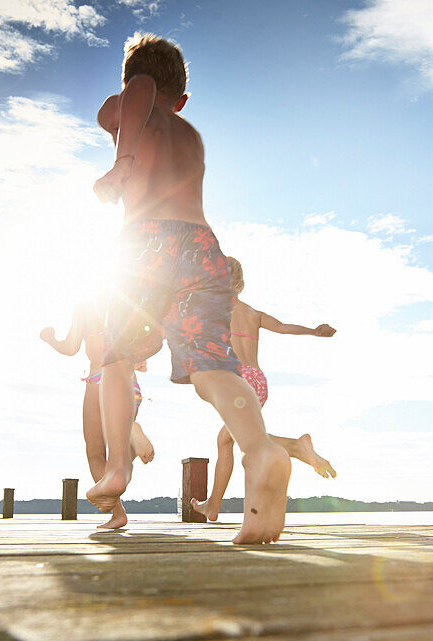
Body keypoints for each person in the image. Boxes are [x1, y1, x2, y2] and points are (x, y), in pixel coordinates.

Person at [88, 32, 290, 544]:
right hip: (202, 248)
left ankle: (117, 469)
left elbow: (129, 96)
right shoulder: (191, 135)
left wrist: (123, 159)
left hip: (146, 247)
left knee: (116, 358)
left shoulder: (136, 104)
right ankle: (260, 449)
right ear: (184, 101)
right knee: (212, 368)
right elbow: (140, 96)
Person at [190, 256, 337, 521]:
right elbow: (282, 328)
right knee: (227, 439)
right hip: (257, 381)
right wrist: (314, 331)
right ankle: (212, 506)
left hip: (237, 381)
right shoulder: (253, 313)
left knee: (243, 439)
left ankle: (296, 447)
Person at [40, 297, 154, 529]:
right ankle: (129, 431)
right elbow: (146, 339)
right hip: (129, 384)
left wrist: (49, 338)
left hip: (99, 380)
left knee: (95, 452)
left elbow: (70, 347)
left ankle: (117, 512)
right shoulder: (126, 301)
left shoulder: (84, 306)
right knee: (118, 452)